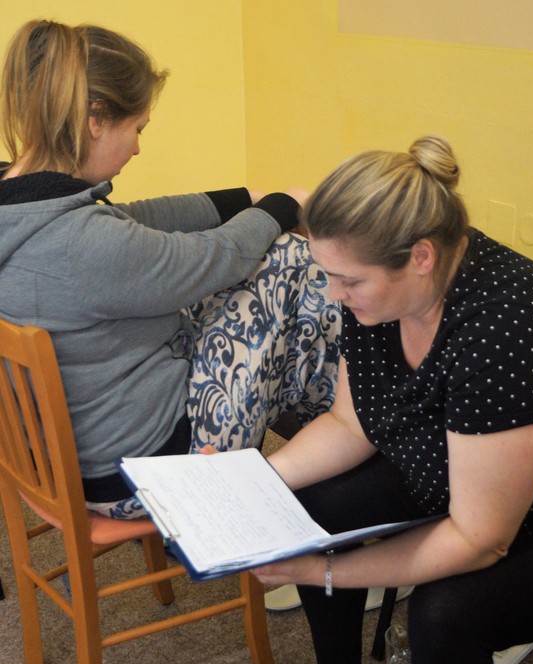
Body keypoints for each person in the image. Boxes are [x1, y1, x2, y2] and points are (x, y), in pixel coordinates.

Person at [251, 135, 533, 664]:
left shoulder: (508, 320)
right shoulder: (379, 293)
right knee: (315, 506)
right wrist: (248, 482)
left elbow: (481, 537)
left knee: (441, 616)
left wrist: (321, 571)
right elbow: (350, 423)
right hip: (453, 468)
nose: (334, 294)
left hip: (531, 518)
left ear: (420, 257)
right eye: (328, 274)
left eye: (348, 280)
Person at [0, 19, 341, 518]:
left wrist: (246, 197)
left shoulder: (20, 201)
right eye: (136, 129)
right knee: (286, 260)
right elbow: (218, 257)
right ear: (96, 118)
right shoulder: (83, 244)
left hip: (63, 458)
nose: (138, 147)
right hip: (142, 471)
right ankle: (341, 465)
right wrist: (283, 204)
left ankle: (331, 445)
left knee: (259, 299)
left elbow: (136, 220)